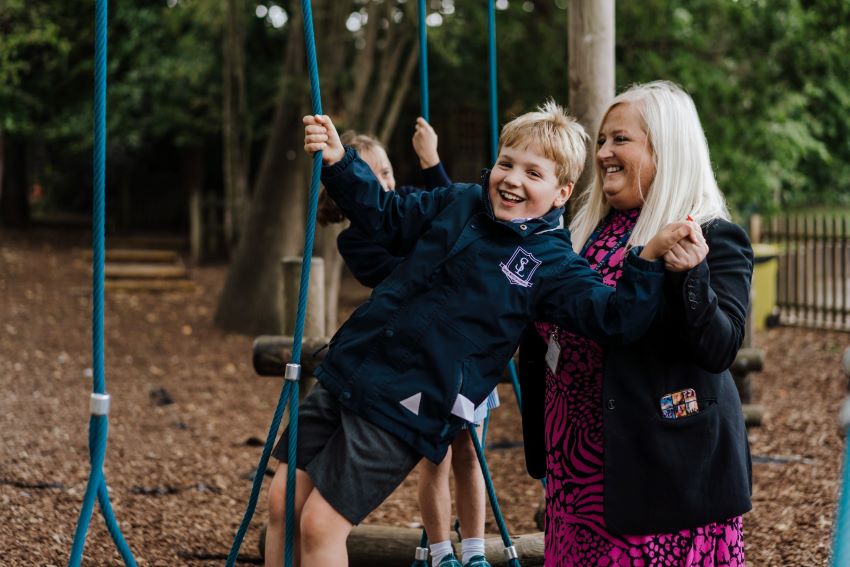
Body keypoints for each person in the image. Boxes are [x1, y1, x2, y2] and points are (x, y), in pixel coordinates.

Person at [269, 100, 694, 567]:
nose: (512, 179)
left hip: (409, 402)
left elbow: (613, 318)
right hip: (352, 365)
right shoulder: (460, 202)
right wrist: (340, 161)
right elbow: (387, 218)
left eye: (534, 173)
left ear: (562, 192)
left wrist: (647, 261)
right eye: (507, 164)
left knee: (320, 524)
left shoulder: (550, 263)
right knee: (283, 503)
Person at [518, 81, 753, 566]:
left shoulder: (714, 238)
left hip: (664, 484)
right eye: (602, 139)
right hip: (577, 475)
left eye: (619, 139)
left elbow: (721, 348)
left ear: (665, 149)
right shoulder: (583, 234)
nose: (603, 151)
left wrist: (693, 278)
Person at [268, 119, 500, 567]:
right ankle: (440, 546)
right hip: (376, 359)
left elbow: (458, 214)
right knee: (283, 502)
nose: (389, 183)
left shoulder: (417, 203)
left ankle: (469, 548)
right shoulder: (360, 241)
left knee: (466, 450)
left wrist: (431, 163)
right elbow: (415, 262)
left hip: (429, 365)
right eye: (375, 176)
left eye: (390, 172)